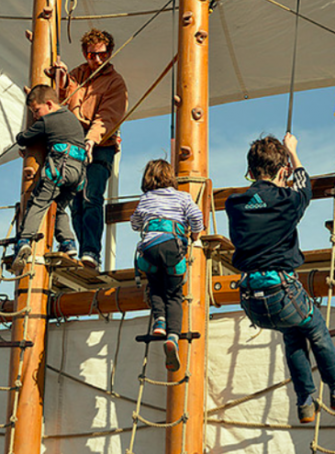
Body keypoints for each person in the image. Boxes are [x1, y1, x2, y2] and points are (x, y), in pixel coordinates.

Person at [225, 132, 335, 423]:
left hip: (252, 300)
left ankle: (305, 403)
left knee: (294, 335)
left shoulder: (234, 204)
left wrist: (282, 172)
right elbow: (304, 186)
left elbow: (262, 200)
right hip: (282, 292)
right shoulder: (287, 201)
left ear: (250, 172)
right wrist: (293, 151)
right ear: (283, 171)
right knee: (318, 331)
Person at [45, 28, 128, 268]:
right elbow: (60, 99)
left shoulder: (115, 83)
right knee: (76, 201)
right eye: (92, 55)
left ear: (110, 53)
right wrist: (60, 79)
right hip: (73, 143)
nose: (97, 60)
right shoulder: (76, 75)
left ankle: (91, 251)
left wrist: (90, 141)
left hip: (100, 145)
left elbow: (106, 118)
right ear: (85, 53)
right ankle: (83, 251)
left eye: (102, 54)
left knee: (91, 197)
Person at [130, 160, 204, 372]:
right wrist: (196, 235)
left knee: (155, 287)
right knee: (174, 294)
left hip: (150, 249)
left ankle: (159, 322)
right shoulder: (182, 197)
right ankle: (172, 336)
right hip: (173, 247)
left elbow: (135, 223)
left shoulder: (145, 199)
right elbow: (196, 216)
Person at [13, 84, 86, 271]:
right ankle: (68, 243)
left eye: (36, 111)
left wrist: (23, 138)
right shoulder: (70, 117)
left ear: (49, 104)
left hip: (59, 169)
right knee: (59, 207)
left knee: (38, 202)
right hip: (79, 173)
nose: (35, 115)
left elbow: (23, 138)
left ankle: (24, 240)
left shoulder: (47, 121)